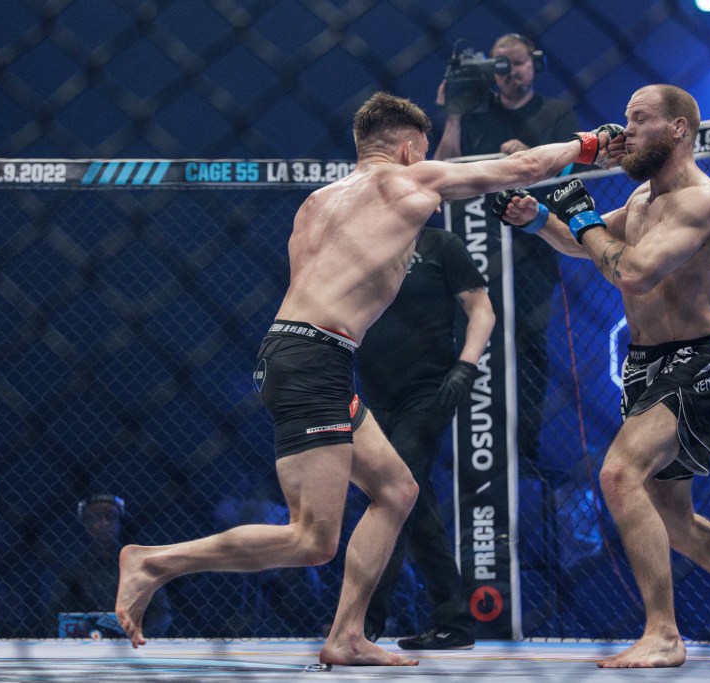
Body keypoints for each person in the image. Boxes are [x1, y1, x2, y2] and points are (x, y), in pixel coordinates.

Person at [113, 91, 610, 667]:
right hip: (315, 362)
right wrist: (588, 145)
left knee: (397, 491)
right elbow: (522, 168)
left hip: (302, 354)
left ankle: (348, 634)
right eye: (423, 153)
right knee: (311, 540)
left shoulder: (316, 203)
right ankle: (154, 561)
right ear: (409, 150)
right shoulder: (405, 180)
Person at [490, 84, 710, 668]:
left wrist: (582, 214)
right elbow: (587, 247)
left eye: (640, 118)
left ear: (678, 128)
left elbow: (633, 272)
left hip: (691, 362)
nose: (626, 129)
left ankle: (663, 633)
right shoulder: (640, 199)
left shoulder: (702, 200)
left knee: (618, 475)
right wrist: (537, 218)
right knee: (676, 523)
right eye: (625, 117)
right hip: (642, 367)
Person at [435, 33, 580, 464]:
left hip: (535, 242)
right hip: (479, 244)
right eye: (500, 64)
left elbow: (573, 172)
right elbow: (442, 171)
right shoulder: (478, 115)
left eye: (517, 62)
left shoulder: (555, 113)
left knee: (529, 342)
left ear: (535, 63)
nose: (510, 71)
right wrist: (454, 116)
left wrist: (532, 158)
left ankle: (525, 446)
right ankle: (480, 445)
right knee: (475, 337)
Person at [358, 226, 493, 650]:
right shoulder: (365, 245)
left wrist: (465, 367)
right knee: (413, 502)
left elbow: (481, 309)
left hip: (428, 391)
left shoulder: (440, 245)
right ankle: (454, 620)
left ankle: (362, 622)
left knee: (390, 493)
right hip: (377, 394)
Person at [48, 494, 172, 638]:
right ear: (86, 524)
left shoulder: (139, 567)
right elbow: (54, 614)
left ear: (119, 522)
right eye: (96, 518)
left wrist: (142, 637)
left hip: (133, 643)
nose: (104, 523)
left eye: (110, 517)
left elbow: (161, 612)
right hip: (86, 644)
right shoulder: (71, 571)